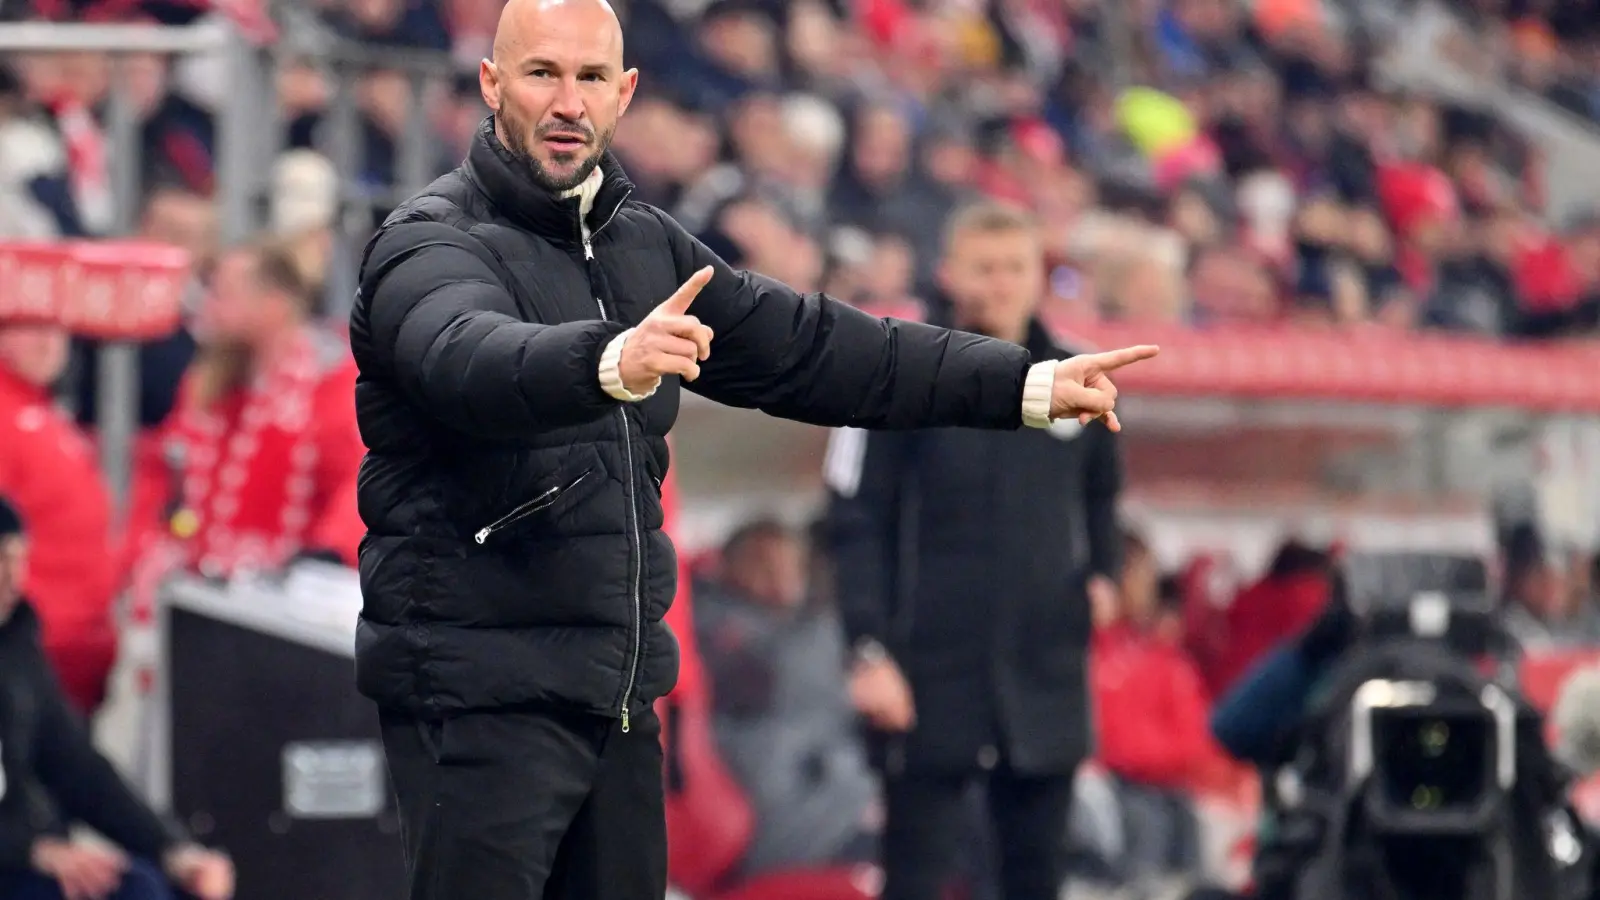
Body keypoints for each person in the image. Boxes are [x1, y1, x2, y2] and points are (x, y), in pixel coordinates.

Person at [347, 0, 1158, 897]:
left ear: (626, 93)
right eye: (542, 74)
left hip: (615, 700)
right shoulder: (428, 242)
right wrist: (607, 358)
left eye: (589, 78)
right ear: (493, 84)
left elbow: (819, 350)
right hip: (476, 692)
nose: (568, 102)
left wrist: (1021, 384)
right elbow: (462, 356)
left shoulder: (645, 247)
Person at [821, 201, 1124, 900]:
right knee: (918, 877)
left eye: (1014, 268)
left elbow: (1104, 493)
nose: (1000, 284)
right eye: (983, 269)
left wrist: (1103, 574)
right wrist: (867, 648)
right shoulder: (899, 373)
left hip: (1043, 667)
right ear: (951, 273)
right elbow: (855, 519)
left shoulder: (1077, 376)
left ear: (1037, 276)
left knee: (1036, 876)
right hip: (929, 671)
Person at [0, 496, 235, 900]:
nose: (13, 580)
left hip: (24, 850)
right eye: (0, 561)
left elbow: (75, 765)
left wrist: (170, 848)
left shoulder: (15, 644)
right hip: (15, 855)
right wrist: (28, 850)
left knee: (156, 887)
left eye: (19, 560)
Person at [125, 238, 365, 585]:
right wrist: (145, 548)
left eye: (225, 295)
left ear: (275, 305)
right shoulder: (207, 384)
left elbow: (358, 484)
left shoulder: (328, 386)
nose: (210, 307)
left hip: (281, 597)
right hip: (198, 586)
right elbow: (165, 472)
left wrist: (328, 556)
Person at [692, 519, 880, 875]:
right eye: (762, 564)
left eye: (792, 566)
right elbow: (777, 682)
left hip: (841, 798)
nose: (780, 578)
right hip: (783, 822)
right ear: (727, 566)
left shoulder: (806, 625)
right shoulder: (712, 625)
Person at [0, 320, 119, 713]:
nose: (48, 343)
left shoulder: (40, 407)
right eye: (28, 326)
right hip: (38, 652)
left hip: (75, 651)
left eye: (55, 328)